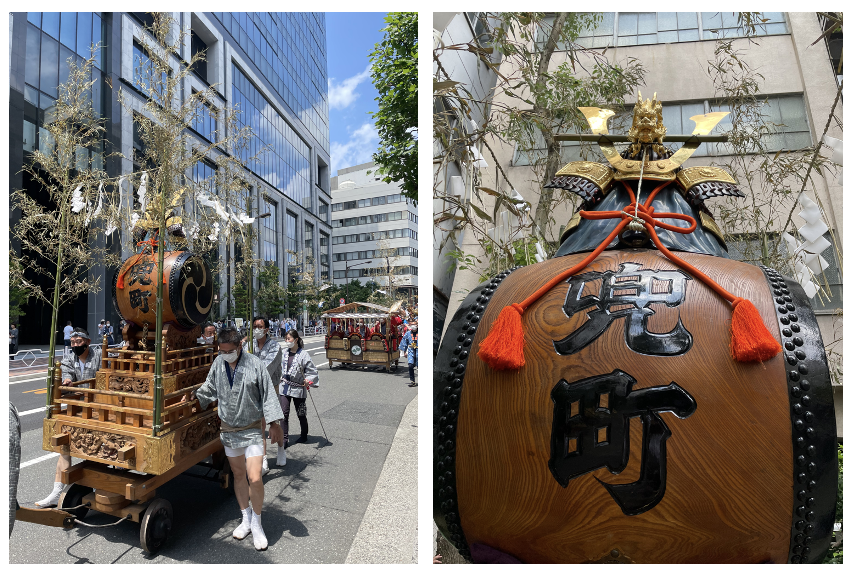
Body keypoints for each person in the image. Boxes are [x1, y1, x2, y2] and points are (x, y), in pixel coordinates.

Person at [192, 328, 284, 551]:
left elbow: (268, 393)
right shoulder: (218, 363)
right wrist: (195, 396)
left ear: (239, 347)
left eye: (230, 351)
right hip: (229, 429)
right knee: (239, 475)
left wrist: (273, 423)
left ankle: (258, 522)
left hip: (252, 428)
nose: (226, 354)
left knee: (255, 477)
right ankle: (245, 517)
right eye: (222, 351)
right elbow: (210, 387)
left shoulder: (254, 364)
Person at [35, 328, 102, 507]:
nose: (75, 345)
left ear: (87, 342)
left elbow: (107, 376)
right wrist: (66, 381)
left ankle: (105, 484)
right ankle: (57, 491)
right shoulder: (69, 358)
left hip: (100, 409)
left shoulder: (99, 355)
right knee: (65, 447)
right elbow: (66, 373)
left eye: (79, 342)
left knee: (100, 450)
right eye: (73, 342)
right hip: (78, 409)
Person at [243, 317, 283, 474]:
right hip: (253, 388)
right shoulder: (249, 344)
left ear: (267, 329)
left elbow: (267, 368)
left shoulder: (275, 347)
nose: (257, 329)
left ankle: (281, 448)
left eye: (260, 326)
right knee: (260, 424)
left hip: (270, 387)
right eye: (254, 326)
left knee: (274, 421)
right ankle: (263, 459)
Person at [279, 329, 319, 455]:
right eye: (286, 339)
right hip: (285, 386)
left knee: (301, 412)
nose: (287, 341)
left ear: (296, 340)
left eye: (289, 339)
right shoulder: (284, 352)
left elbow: (312, 371)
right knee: (283, 413)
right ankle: (284, 439)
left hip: (298, 387)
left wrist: (308, 380)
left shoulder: (304, 355)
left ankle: (304, 434)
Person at [399, 323, 418, 387]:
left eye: (415, 324)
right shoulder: (408, 333)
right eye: (412, 324)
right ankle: (412, 381)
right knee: (410, 366)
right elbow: (404, 342)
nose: (413, 326)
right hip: (411, 351)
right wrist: (404, 352)